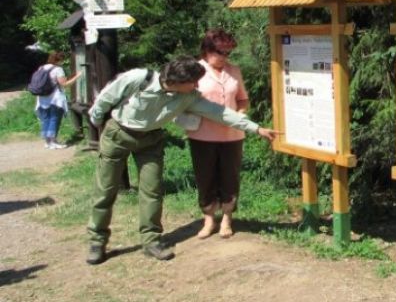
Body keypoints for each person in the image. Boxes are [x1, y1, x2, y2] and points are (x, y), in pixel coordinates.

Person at [85, 56, 278, 265]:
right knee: (105, 189)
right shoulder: (138, 78)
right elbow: (105, 98)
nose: (197, 86)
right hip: (119, 134)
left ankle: (151, 240)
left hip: (151, 140)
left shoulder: (189, 97)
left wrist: (256, 128)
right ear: (178, 80)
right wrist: (96, 122)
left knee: (152, 191)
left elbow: (220, 113)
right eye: (194, 82)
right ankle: (97, 241)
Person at [187, 29, 248, 240]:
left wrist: (240, 114)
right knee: (206, 177)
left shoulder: (234, 71)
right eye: (220, 53)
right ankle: (209, 219)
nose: (223, 58)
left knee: (230, 177)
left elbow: (242, 99)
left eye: (227, 53)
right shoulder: (195, 71)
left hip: (232, 135)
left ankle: (227, 218)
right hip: (202, 135)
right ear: (207, 50)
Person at [34, 51, 83, 149]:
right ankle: (53, 142)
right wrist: (78, 76)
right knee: (54, 119)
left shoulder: (41, 68)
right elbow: (64, 84)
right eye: (62, 60)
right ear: (59, 60)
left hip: (42, 98)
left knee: (46, 120)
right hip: (55, 99)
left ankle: (47, 142)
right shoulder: (58, 69)